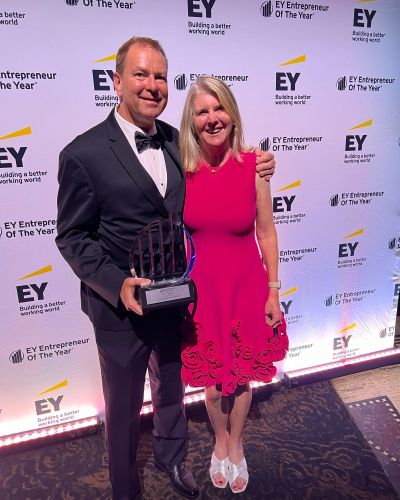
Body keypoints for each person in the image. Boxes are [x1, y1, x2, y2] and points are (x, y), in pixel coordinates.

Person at [56, 37, 276, 500]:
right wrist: (117, 285)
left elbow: (223, 160)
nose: (152, 85)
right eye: (141, 75)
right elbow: (72, 237)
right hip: (119, 306)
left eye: (159, 76)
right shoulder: (83, 153)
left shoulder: (180, 144)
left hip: (178, 298)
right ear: (117, 81)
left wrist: (260, 162)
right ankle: (125, 488)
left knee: (171, 389)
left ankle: (172, 459)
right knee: (122, 406)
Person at [180, 76, 285, 494]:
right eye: (202, 111)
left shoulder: (255, 167)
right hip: (202, 291)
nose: (212, 118)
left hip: (246, 287)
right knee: (209, 384)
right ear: (192, 120)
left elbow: (268, 232)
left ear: (232, 112)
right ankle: (219, 440)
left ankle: (236, 442)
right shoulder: (181, 167)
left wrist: (274, 289)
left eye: (218, 108)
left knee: (241, 379)